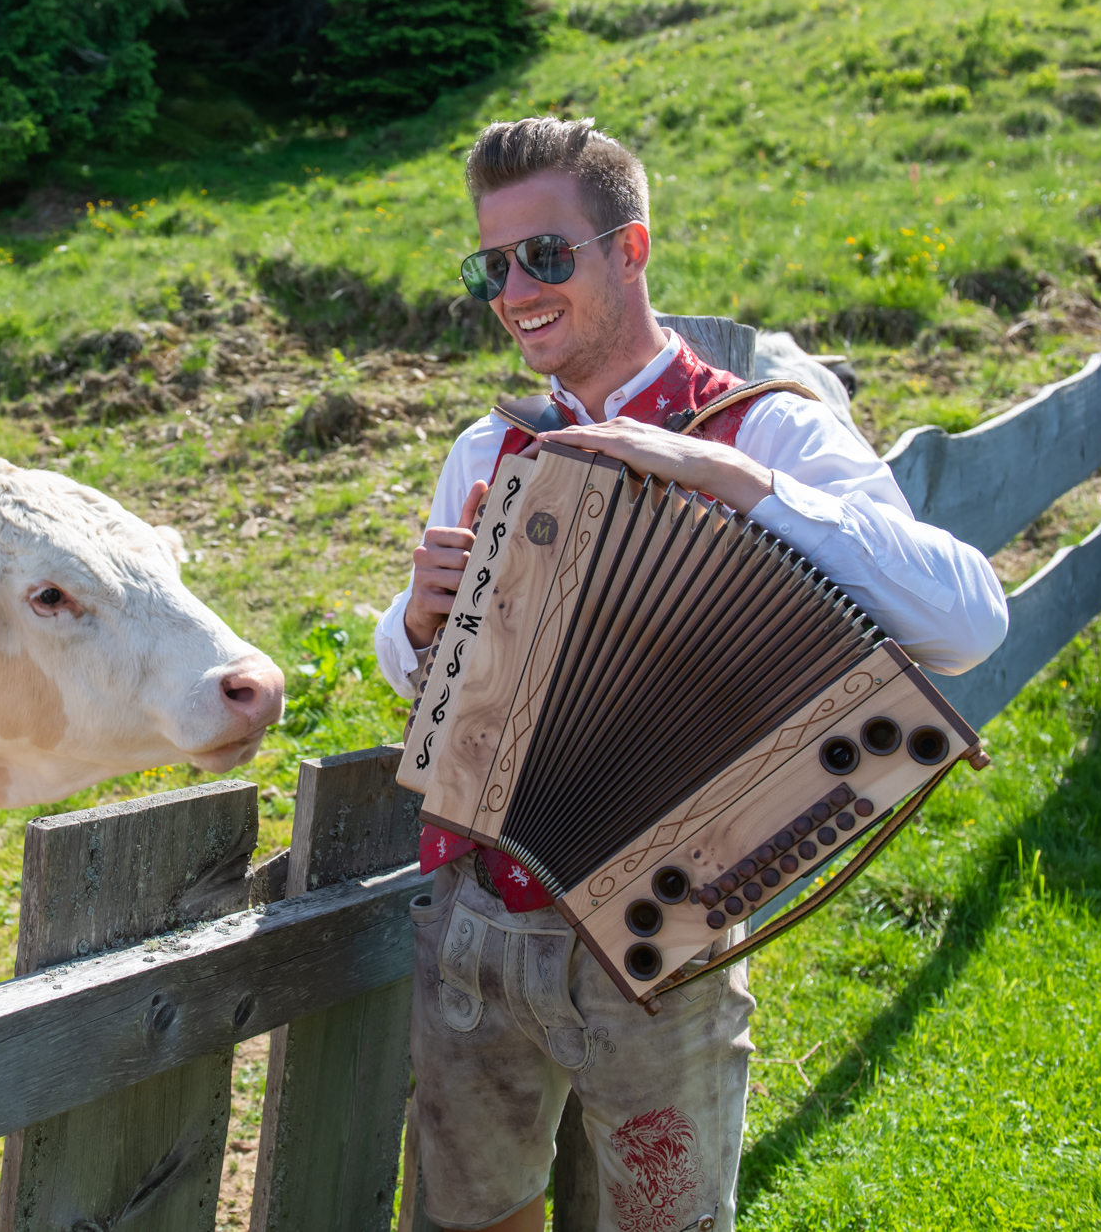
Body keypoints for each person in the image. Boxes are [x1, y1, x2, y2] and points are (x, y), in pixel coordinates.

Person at [373, 117, 1009, 1232]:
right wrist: (415, 619)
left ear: (630, 249)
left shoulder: (765, 433)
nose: (513, 291)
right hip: (477, 918)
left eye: (544, 255)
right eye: (490, 267)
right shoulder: (487, 449)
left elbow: (967, 620)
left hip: (663, 933)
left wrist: (728, 478)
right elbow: (418, 677)